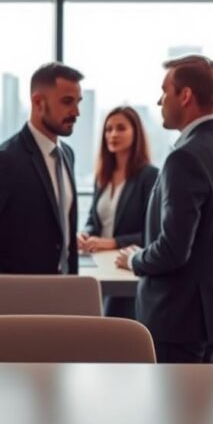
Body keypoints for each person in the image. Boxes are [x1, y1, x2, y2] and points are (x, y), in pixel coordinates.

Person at [117, 55, 213, 364]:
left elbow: (173, 250)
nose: (159, 100)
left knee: (177, 405)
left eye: (165, 90)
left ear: (185, 95)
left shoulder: (185, 157)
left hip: (181, 315)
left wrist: (135, 259)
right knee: (201, 399)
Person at [0, 63, 83, 276]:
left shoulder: (67, 154)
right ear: (38, 102)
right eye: (67, 102)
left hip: (63, 289)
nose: (76, 112)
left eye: (78, 102)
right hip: (19, 295)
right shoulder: (5, 160)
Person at [78, 106, 159, 318]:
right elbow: (93, 221)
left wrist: (112, 242)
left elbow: (151, 234)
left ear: (136, 133)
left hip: (126, 266)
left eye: (121, 128)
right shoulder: (102, 175)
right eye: (108, 129)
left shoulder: (149, 176)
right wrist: (85, 233)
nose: (113, 134)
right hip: (98, 263)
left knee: (116, 326)